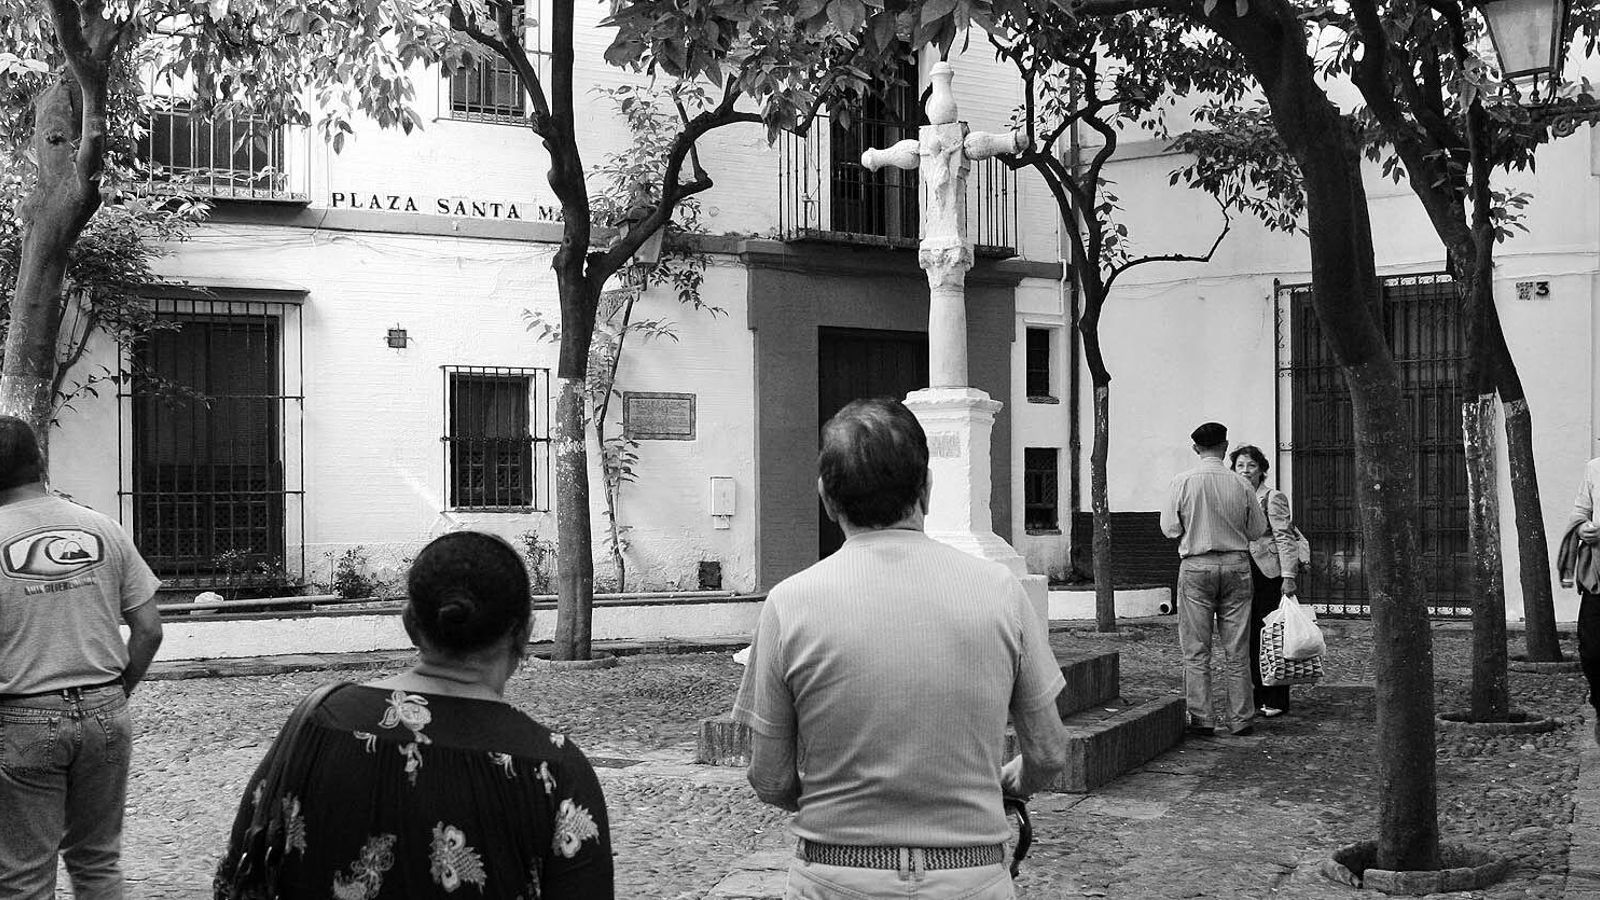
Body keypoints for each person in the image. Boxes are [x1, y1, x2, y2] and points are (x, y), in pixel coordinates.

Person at [734, 397, 1069, 900]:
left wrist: (841, 805)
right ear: (928, 491)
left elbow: (770, 777)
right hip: (969, 876)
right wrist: (1009, 781)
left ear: (826, 498)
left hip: (834, 875)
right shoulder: (1000, 591)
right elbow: (1049, 752)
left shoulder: (789, 604)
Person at [214, 531, 613, 899]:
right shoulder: (556, 769)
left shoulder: (318, 725)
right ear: (524, 633)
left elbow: (238, 871)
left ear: (409, 624)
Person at [0, 416, 164, 899]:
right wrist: (113, 694)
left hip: (21, 716)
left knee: (23, 875)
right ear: (41, 463)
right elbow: (150, 630)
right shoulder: (102, 528)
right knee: (96, 863)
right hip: (106, 712)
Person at [1160, 422, 1268, 737]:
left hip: (1196, 565)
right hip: (1236, 565)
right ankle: (1241, 718)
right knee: (1237, 648)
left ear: (1196, 449)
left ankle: (1201, 717)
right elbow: (1257, 530)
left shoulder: (1182, 482)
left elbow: (1170, 529)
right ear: (1225, 447)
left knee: (1195, 648)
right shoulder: (1242, 484)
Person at [1229, 444, 1299, 718]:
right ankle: (1255, 695)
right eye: (1240, 466)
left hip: (1268, 574)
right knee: (1246, 635)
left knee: (1271, 635)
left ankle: (1276, 697)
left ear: (1262, 470)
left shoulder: (1273, 497)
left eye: (1251, 466)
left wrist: (1288, 576)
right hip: (1239, 570)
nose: (1246, 471)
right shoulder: (1232, 496)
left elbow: (1284, 537)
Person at [1565, 455, 1600, 743]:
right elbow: (1580, 512)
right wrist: (1582, 528)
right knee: (1591, 651)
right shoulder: (1594, 468)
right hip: (1598, 577)